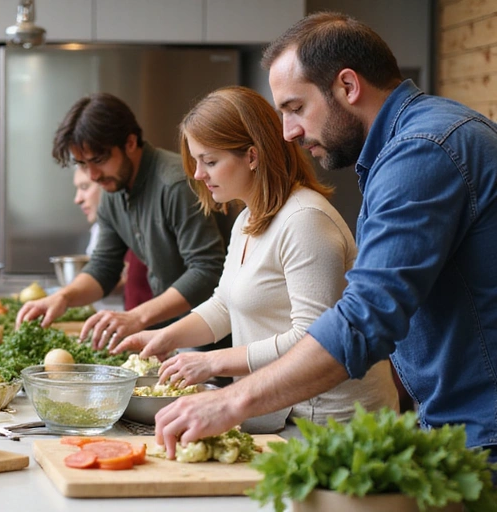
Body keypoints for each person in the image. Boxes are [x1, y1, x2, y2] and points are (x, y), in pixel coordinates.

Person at [153, 10, 497, 474]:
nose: (288, 132)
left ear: (348, 86)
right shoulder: (408, 146)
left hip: (483, 429)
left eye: (295, 107)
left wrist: (231, 401)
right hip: (461, 423)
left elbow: (364, 319)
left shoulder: (423, 150)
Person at [112, 86, 397, 434]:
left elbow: (313, 340)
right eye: (196, 161)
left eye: (210, 161)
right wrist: (164, 338)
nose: (199, 175)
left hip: (332, 419)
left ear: (251, 156)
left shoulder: (304, 220)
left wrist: (211, 361)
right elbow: (223, 305)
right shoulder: (248, 220)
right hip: (280, 410)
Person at [18, 93, 226, 347]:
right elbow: (104, 267)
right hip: (175, 336)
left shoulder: (175, 184)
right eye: (83, 164)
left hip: (218, 336)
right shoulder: (112, 192)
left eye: (99, 160)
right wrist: (64, 297)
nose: (93, 175)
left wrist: (136, 316)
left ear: (130, 142)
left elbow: (207, 270)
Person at [73, 165, 152, 309]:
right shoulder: (102, 229)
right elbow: (104, 269)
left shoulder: (142, 225)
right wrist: (65, 296)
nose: (77, 199)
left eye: (84, 187)